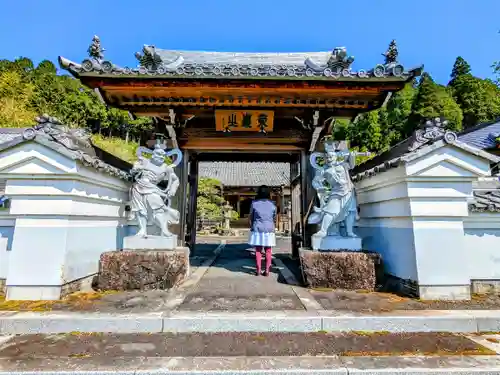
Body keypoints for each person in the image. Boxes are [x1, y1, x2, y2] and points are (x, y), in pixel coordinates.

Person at [248, 185, 277, 276]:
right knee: (268, 250)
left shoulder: (254, 203)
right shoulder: (273, 204)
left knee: (258, 250)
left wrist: (252, 226)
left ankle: (258, 270)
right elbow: (274, 217)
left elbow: (251, 217)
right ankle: (267, 270)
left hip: (257, 227)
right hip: (269, 228)